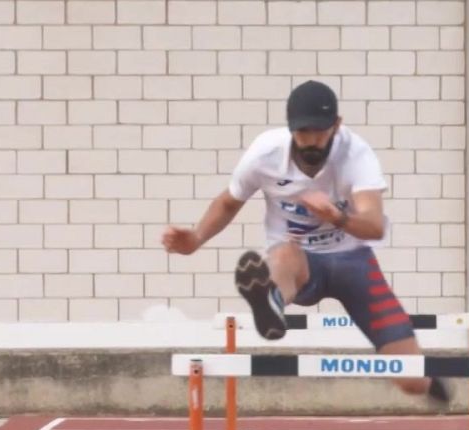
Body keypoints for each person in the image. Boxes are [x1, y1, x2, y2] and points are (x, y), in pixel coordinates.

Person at [162, 79, 449, 405]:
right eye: (302, 135)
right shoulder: (265, 154)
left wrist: (337, 217)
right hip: (298, 260)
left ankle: (428, 383)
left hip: (352, 262)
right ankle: (270, 302)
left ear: (336, 126)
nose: (311, 143)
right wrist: (196, 238)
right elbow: (229, 201)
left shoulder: (356, 154)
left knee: (410, 379)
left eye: (320, 135)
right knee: (283, 255)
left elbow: (374, 226)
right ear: (290, 130)